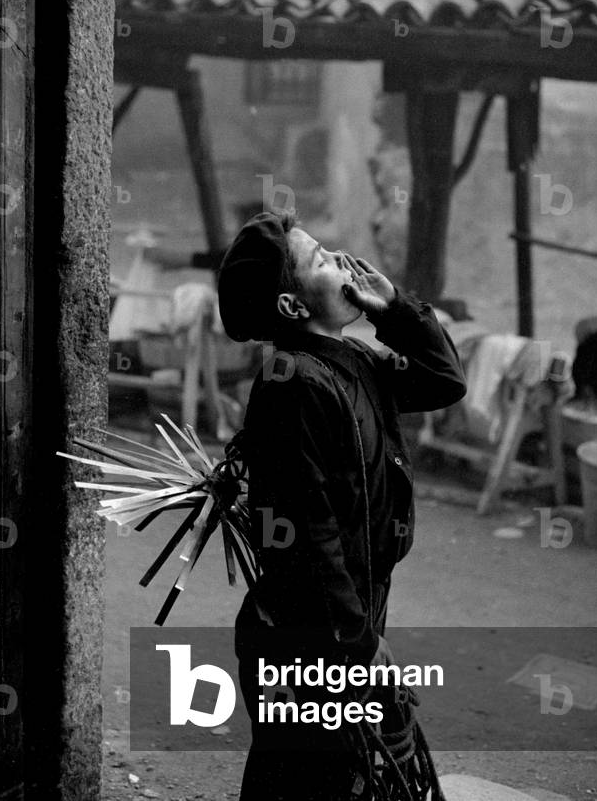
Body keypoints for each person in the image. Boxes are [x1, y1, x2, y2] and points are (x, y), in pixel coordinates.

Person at [217, 210, 466, 801]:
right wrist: (357, 647)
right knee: (306, 778)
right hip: (305, 631)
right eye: (319, 260)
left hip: (345, 616)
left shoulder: (354, 362)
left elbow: (443, 381)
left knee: (327, 777)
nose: (341, 261)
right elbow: (309, 536)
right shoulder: (293, 386)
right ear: (292, 307)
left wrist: (397, 313)